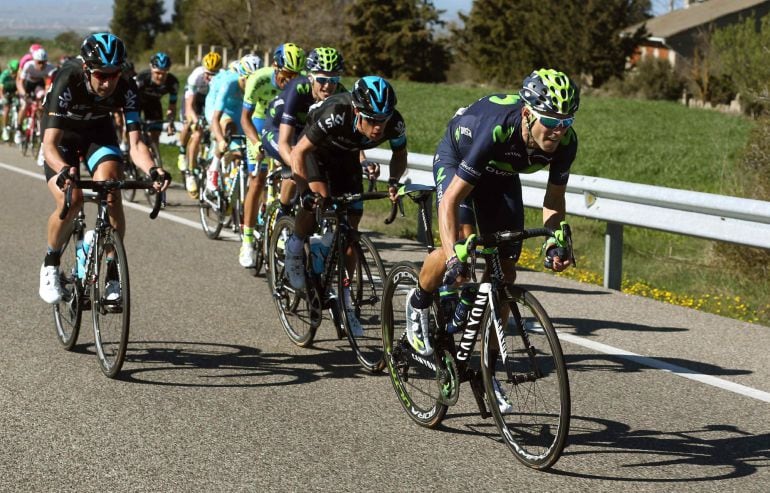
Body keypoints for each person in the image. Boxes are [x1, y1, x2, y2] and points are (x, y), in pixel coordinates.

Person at [404, 68, 580, 363]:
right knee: (462, 242)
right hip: (460, 157)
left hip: (501, 174)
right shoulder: (497, 129)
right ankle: (418, 301)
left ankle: (489, 364)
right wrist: (452, 258)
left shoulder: (565, 142)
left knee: (506, 271)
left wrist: (553, 240)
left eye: (566, 122)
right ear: (527, 114)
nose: (558, 131)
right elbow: (449, 201)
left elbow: (553, 199)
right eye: (550, 121)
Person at [38, 33, 170, 304]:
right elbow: (49, 145)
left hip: (98, 133)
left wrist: (153, 170)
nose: (108, 82)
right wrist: (63, 169)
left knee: (111, 188)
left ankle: (111, 273)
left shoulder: (127, 86)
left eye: (115, 74)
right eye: (101, 75)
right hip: (61, 135)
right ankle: (50, 263)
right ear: (87, 69)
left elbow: (135, 144)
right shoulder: (66, 79)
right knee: (71, 199)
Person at [285, 76, 407, 333]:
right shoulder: (336, 113)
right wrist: (304, 190)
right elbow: (298, 152)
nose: (378, 128)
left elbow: (400, 153)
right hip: (316, 153)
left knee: (350, 228)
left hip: (347, 158)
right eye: (372, 120)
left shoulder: (393, 122)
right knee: (319, 199)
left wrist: (394, 181)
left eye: (382, 120)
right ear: (356, 111)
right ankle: (295, 245)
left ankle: (344, 298)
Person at [261, 47, 347, 226]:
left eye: (334, 79)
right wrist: (296, 164)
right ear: (310, 77)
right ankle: (282, 216)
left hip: (304, 131)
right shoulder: (298, 87)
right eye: (322, 79)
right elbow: (284, 142)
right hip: (277, 128)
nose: (328, 86)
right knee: (295, 164)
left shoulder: (340, 92)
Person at [237, 42, 305, 267]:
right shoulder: (258, 78)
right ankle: (246, 241)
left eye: (296, 75)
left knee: (291, 171)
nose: (291, 80)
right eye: (287, 74)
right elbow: (244, 119)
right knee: (257, 179)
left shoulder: (300, 83)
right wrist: (256, 143)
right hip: (258, 123)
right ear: (276, 67)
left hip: (284, 125)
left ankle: (280, 220)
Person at [204, 54, 262, 195]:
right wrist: (220, 139)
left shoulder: (259, 85)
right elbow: (215, 118)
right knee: (228, 128)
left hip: (238, 110)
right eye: (247, 80)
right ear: (241, 77)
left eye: (253, 80)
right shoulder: (228, 84)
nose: (251, 84)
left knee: (241, 149)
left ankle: (234, 176)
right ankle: (214, 168)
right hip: (218, 108)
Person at [178, 51, 222, 196]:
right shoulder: (196, 76)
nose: (209, 77)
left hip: (209, 100)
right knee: (194, 129)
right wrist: (196, 120)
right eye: (207, 73)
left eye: (213, 74)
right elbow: (189, 106)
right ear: (203, 70)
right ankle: (188, 169)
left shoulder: (222, 78)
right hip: (194, 100)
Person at [134, 52, 179, 160]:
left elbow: (172, 105)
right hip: (137, 103)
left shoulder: (172, 83)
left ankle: (155, 156)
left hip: (154, 104)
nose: (160, 76)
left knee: (155, 135)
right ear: (151, 69)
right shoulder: (141, 79)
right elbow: (130, 100)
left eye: (164, 73)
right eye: (157, 73)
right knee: (134, 132)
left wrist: (170, 121)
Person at [16, 47, 55, 145]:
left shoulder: (50, 67)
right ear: (34, 61)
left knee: (42, 103)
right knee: (24, 105)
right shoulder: (28, 66)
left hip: (39, 85)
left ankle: (39, 125)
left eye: (44, 62)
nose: (42, 65)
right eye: (39, 62)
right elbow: (20, 82)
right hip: (27, 85)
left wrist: (45, 96)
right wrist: (23, 93)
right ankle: (19, 128)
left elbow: (48, 85)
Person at [0, 59, 19, 141]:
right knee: (6, 108)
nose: (14, 73)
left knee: (19, 107)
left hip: (15, 92)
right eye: (13, 71)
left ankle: (19, 130)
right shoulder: (4, 74)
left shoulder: (19, 74)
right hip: (6, 92)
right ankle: (4, 128)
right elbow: (1, 89)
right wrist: (3, 97)